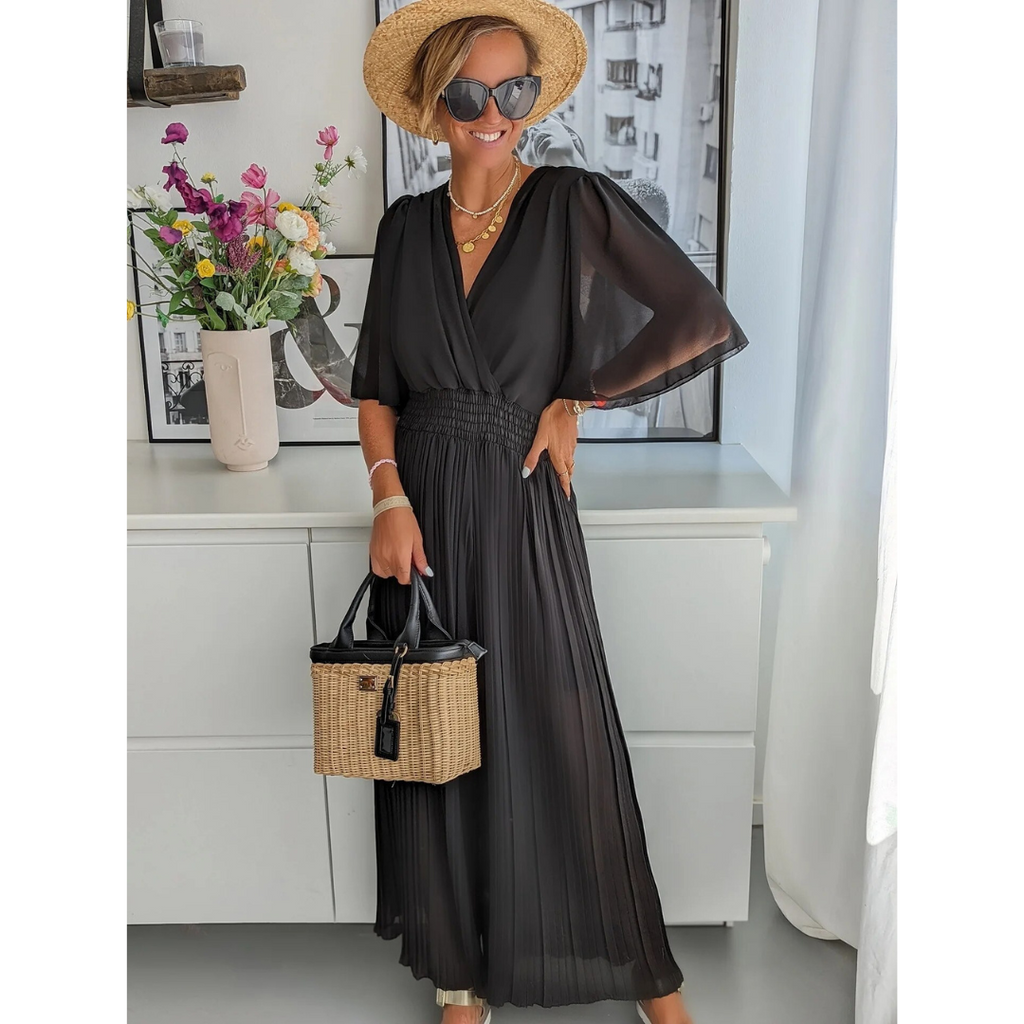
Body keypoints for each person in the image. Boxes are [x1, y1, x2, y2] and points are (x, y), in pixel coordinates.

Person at [355, 3, 750, 1022]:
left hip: (523, 507)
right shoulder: (403, 230)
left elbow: (692, 313)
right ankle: (461, 978)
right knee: (440, 738)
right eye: (469, 92)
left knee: (565, 738)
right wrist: (388, 496)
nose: (494, 112)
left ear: (533, 98)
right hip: (422, 514)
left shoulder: (570, 201)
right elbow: (375, 392)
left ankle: (651, 977)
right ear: (433, 103)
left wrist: (578, 394)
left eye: (514, 89)